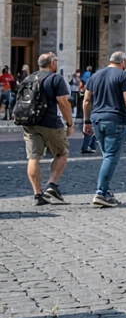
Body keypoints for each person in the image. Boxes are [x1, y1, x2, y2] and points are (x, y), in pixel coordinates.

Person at [83, 51, 126, 208]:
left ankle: (107, 192)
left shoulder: (95, 76)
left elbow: (87, 100)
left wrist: (86, 120)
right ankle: (101, 192)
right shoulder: (123, 76)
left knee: (106, 155)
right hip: (115, 119)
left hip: (96, 118)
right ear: (123, 62)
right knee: (110, 156)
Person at [20, 52, 73, 206]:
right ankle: (52, 184)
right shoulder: (55, 79)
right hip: (50, 122)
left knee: (33, 157)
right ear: (52, 63)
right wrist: (69, 123)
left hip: (29, 122)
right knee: (62, 153)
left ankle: (37, 194)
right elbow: (63, 103)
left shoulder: (28, 78)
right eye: (56, 60)